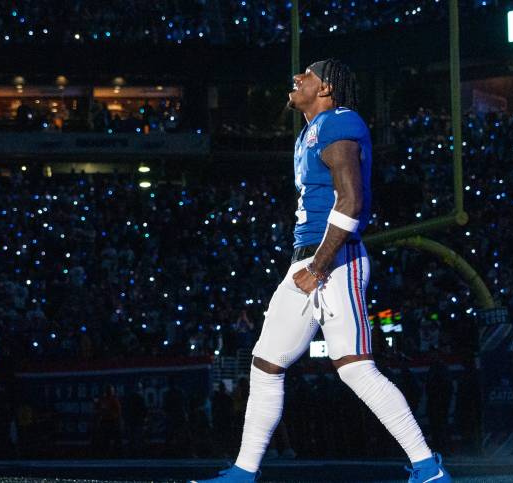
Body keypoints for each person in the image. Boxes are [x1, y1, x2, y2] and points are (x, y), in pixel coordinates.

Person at [191, 59, 451, 483]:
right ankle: (243, 471)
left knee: (354, 367)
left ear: (327, 87)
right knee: (265, 363)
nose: (296, 77)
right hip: (307, 260)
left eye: (307, 74)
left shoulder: (340, 122)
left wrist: (320, 265)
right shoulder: (310, 132)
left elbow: (351, 201)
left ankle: (427, 466)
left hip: (336, 259)